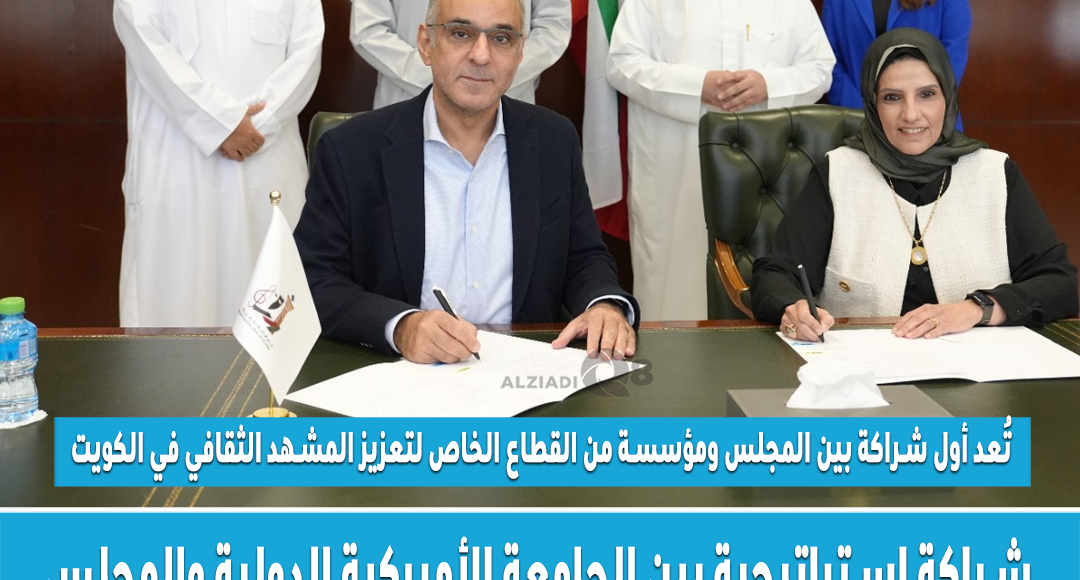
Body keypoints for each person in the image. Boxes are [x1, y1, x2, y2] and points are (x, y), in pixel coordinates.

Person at [295, 0, 639, 364]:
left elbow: (583, 256)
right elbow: (313, 278)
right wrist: (400, 327)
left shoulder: (554, 140)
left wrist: (603, 305)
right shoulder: (351, 149)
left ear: (520, 52)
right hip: (399, 373)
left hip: (525, 372)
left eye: (501, 38)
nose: (481, 55)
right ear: (426, 44)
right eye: (461, 33)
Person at [751, 28, 1078, 341]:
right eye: (892, 97)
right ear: (873, 105)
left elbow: (1061, 282)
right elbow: (775, 273)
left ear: (947, 98)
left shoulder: (995, 173)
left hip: (980, 372)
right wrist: (792, 307)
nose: (910, 114)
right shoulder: (837, 173)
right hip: (866, 369)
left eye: (927, 95)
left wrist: (977, 308)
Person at [605, 0, 835, 322]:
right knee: (673, 279)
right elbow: (622, 64)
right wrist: (697, 86)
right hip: (673, 160)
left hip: (763, 164)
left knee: (763, 271)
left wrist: (767, 85)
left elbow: (820, 68)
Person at [113, 0, 323, 327]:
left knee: (274, 316)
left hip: (267, 159)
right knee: (176, 312)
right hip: (178, 163)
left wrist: (258, 126)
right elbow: (147, 45)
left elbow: (307, 51)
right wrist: (223, 124)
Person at [351, 0, 571, 109]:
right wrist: (437, 75)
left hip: (507, 102)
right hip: (407, 100)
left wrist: (494, 75)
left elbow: (553, 25)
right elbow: (368, 28)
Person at [822, 0, 971, 130]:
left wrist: (914, 108)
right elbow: (830, 59)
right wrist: (863, 113)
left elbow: (952, 57)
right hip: (858, 121)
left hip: (927, 123)